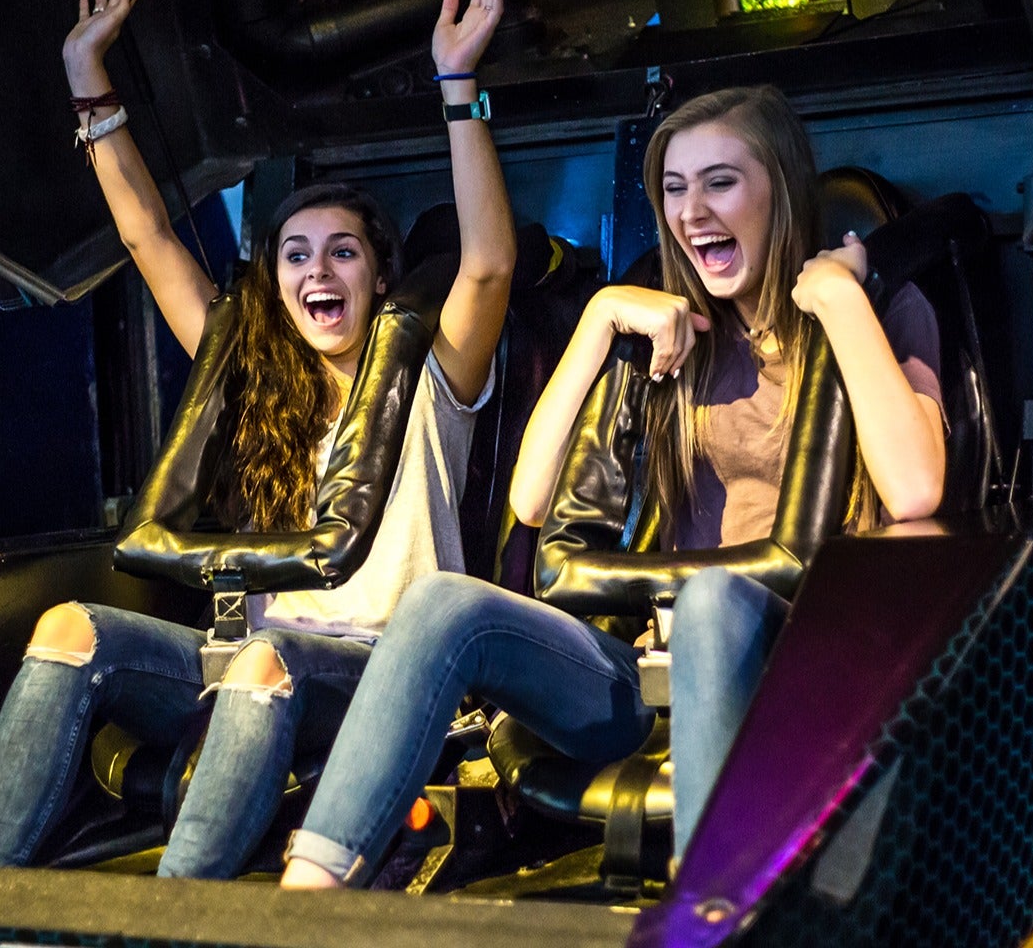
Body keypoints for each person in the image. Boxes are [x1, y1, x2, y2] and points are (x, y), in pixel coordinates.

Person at [279, 84, 945, 888]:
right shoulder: (671, 336)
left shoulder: (879, 309)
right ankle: (309, 895)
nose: (692, 210)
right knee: (442, 602)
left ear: (781, 188)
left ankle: (705, 913)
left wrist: (838, 297)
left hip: (801, 659)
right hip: (651, 662)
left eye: (720, 182)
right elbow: (531, 499)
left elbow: (913, 490)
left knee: (713, 601)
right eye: (673, 187)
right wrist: (599, 319)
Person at [0, 0, 516, 878]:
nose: (318, 273)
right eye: (297, 256)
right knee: (66, 628)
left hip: (385, 676)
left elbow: (489, 265)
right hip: (253, 665)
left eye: (342, 253)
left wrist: (459, 84)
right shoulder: (257, 379)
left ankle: (179, 924)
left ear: (378, 277)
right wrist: (87, 81)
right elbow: (149, 239)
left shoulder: (425, 373)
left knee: (268, 662)